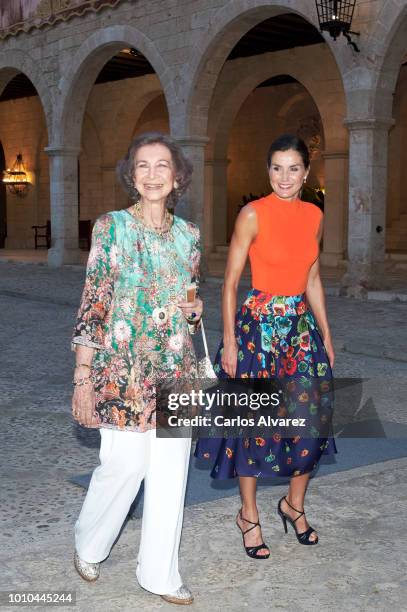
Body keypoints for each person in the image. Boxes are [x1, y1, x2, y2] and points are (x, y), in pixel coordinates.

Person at [71, 132, 202, 605]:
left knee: (171, 476)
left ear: (177, 176)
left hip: (177, 370)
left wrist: (192, 310)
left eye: (161, 166)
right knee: (123, 465)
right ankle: (89, 542)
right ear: (132, 175)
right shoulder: (111, 228)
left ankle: (160, 575)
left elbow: (187, 293)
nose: (151, 174)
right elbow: (94, 302)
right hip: (122, 371)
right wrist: (83, 376)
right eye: (142, 166)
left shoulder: (190, 236)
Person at [195, 134, 336, 558]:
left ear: (306, 172)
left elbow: (312, 278)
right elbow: (231, 283)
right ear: (268, 170)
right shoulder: (252, 215)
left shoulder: (315, 215)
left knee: (311, 422)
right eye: (277, 168)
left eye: (294, 168)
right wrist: (232, 342)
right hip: (256, 331)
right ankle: (249, 515)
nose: (285, 177)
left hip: (301, 330)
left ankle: (294, 505)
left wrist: (326, 333)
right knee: (254, 427)